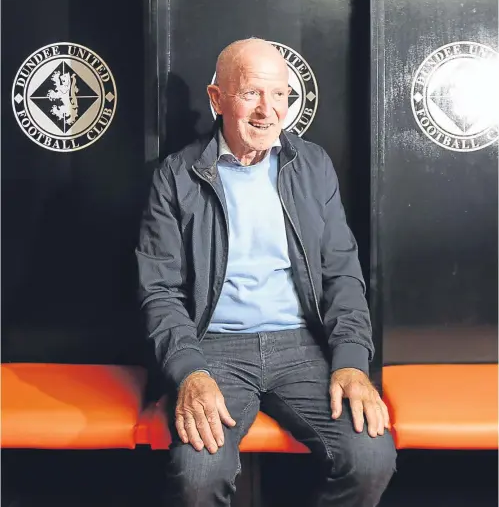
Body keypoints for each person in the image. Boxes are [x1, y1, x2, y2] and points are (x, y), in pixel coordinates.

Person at [136, 38, 396, 507]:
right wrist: (190, 372)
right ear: (217, 99)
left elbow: (342, 274)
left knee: (370, 458)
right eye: (252, 93)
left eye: (280, 95)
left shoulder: (312, 166)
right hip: (212, 348)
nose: (268, 110)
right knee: (197, 477)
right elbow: (160, 292)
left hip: (301, 346)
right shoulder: (176, 176)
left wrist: (353, 362)